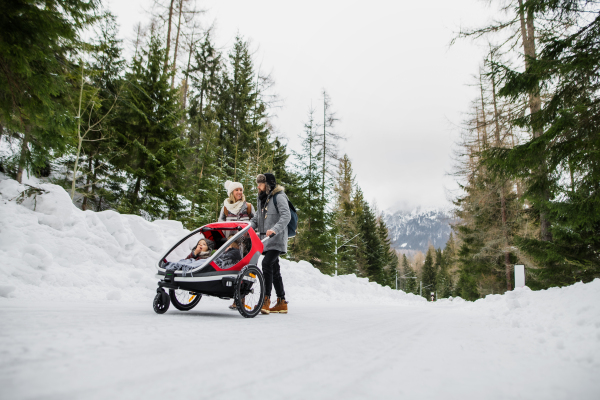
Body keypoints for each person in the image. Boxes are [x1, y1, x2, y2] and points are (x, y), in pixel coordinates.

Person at [249, 173, 291, 314]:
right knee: (275, 269)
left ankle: (265, 300)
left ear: (268, 185)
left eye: (260, 184)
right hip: (266, 241)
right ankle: (281, 301)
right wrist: (247, 227)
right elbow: (257, 218)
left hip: (277, 239)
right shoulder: (261, 198)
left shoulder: (279, 196)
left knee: (266, 264)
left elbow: (286, 216)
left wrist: (274, 229)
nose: (258, 186)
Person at [218, 180, 255, 310]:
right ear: (231, 193)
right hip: (231, 242)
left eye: (241, 190)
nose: (239, 192)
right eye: (237, 190)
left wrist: (248, 232)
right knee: (233, 268)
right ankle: (236, 298)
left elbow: (254, 222)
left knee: (242, 270)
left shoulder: (248, 206)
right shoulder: (226, 207)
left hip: (246, 243)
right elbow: (220, 223)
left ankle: (240, 299)